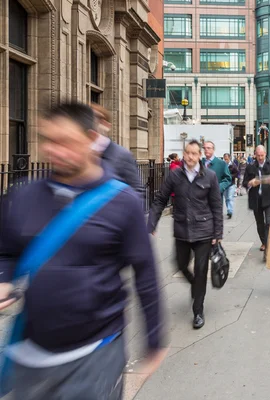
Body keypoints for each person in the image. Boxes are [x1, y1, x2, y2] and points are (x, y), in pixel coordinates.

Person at [0, 102, 166, 398]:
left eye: (66, 142)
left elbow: (145, 273)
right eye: (49, 141)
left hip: (96, 352)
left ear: (91, 140)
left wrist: (154, 339)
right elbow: (8, 249)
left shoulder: (122, 202)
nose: (55, 151)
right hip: (31, 353)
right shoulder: (24, 195)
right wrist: (5, 278)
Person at [148, 140, 223, 330]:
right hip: (182, 230)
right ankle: (195, 286)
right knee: (180, 265)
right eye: (187, 153)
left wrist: (217, 233)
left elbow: (216, 206)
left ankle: (198, 310)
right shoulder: (175, 175)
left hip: (204, 232)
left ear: (200, 156)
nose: (190, 157)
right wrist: (151, 223)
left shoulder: (210, 176)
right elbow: (160, 200)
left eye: (194, 153)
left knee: (200, 270)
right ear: (183, 154)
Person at [90, 103, 145, 199]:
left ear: (107, 125)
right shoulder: (81, 151)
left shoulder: (122, 155)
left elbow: (137, 191)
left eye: (98, 120)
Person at [242, 146, 270, 259]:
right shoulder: (250, 167)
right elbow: (244, 182)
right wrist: (250, 183)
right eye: (258, 155)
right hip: (256, 199)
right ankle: (264, 242)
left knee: (268, 223)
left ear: (265, 154)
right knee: (259, 223)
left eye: (262, 155)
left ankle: (268, 249)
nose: (260, 158)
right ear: (255, 154)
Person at [222, 153, 239, 219]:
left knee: (230, 197)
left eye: (226, 159)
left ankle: (230, 211)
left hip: (231, 184)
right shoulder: (223, 165)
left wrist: (230, 177)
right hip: (225, 184)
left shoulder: (233, 166)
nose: (225, 160)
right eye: (224, 159)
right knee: (226, 198)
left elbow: (237, 173)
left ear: (229, 158)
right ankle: (229, 209)